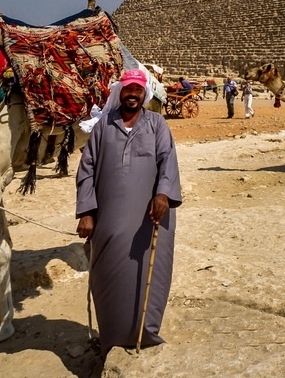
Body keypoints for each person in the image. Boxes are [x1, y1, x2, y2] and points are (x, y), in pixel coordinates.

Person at [75, 69, 183, 357]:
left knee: (150, 272)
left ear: (144, 93)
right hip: (109, 221)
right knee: (108, 277)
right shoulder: (103, 128)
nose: (132, 95)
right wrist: (86, 212)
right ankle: (111, 337)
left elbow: (167, 161)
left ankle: (144, 334)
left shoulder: (157, 124)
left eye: (138, 90)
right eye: (128, 90)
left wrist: (163, 193)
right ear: (119, 93)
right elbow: (86, 171)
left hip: (149, 219)